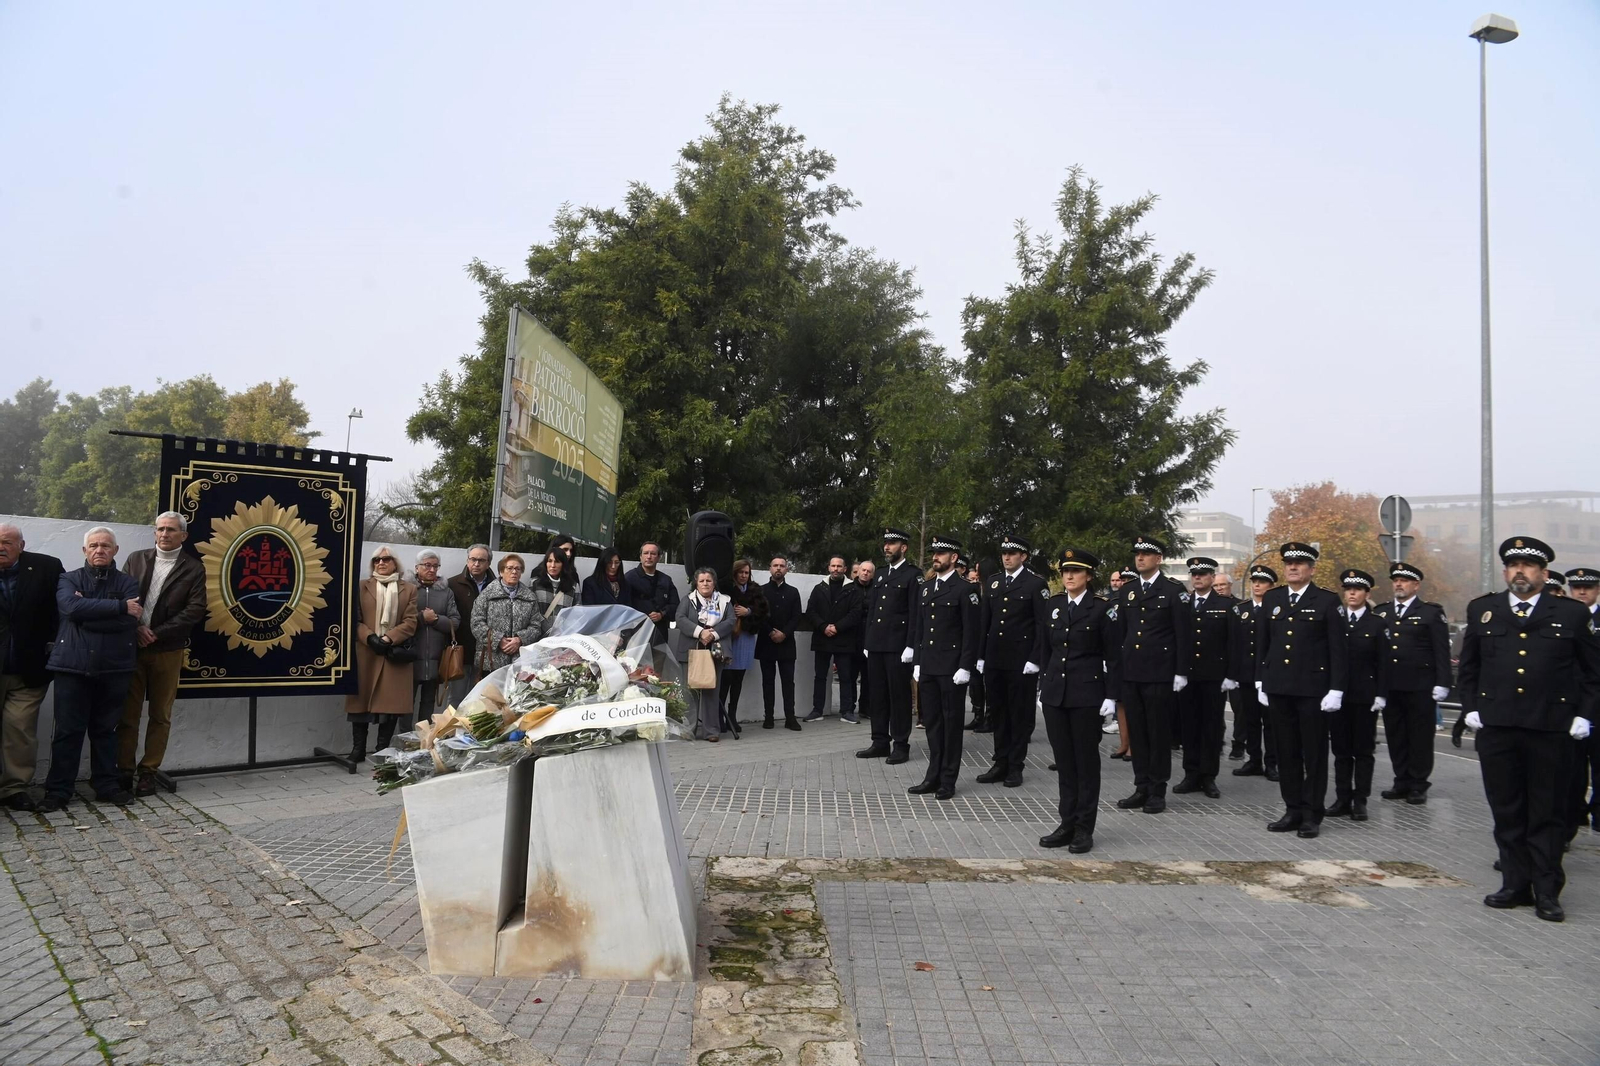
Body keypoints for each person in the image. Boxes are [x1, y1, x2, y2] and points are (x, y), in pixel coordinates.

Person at [1457, 536, 1600, 923]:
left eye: (1528, 565)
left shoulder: (1569, 613)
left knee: (1548, 813)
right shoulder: (1483, 610)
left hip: (1550, 729)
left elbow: (1592, 673)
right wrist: (1469, 707)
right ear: (1505, 571)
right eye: (1512, 565)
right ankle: (1515, 885)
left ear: (1544, 572)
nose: (1519, 571)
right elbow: (1468, 668)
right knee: (1507, 811)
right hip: (1499, 728)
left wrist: (1584, 714)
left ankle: (1548, 890)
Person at [39, 527, 141, 810]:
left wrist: (88, 611)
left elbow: (128, 622)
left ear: (115, 551)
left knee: (105, 730)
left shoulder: (129, 582)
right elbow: (70, 609)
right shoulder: (68, 578)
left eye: (106, 546)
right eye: (94, 546)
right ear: (85, 551)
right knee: (67, 732)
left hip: (114, 667)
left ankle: (106, 786)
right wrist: (119, 606)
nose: (100, 550)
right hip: (72, 665)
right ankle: (58, 790)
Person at [1254, 542, 1347, 839]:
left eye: (1300, 563)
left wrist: (1336, 689)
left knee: (1314, 754)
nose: (1292, 567)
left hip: (1312, 691)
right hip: (1279, 687)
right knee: (1286, 752)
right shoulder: (1273, 598)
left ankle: (1312, 814)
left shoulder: (1327, 601)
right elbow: (1263, 643)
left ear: (1312, 568)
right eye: (1288, 563)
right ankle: (1292, 809)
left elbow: (1338, 650)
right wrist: (1261, 680)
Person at [116, 511, 206, 795]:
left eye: (170, 530)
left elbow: (195, 609)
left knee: (160, 715)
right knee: (127, 714)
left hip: (168, 649)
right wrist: (136, 629)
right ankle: (124, 771)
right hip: (131, 649)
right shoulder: (135, 559)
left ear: (184, 535)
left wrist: (157, 632)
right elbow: (120, 596)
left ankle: (148, 772)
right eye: (160, 529)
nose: (164, 534)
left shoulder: (193, 568)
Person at [1037, 549, 1121, 851]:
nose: (1069, 576)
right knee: (1064, 762)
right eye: (1065, 572)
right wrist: (1042, 683)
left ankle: (1085, 828)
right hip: (1055, 695)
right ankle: (1066, 823)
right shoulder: (1055, 605)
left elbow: (1113, 655)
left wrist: (1112, 695)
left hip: (1087, 694)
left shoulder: (1102, 608)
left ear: (1088, 576)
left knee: (1085, 763)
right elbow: (1046, 648)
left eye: (1075, 571)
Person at [1112, 536, 1193, 815]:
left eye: (1146, 554)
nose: (1140, 558)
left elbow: (1184, 634)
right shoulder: (1129, 590)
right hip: (1132, 672)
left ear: (1158, 559)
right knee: (1138, 733)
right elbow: (1121, 634)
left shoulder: (1173, 590)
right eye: (1137, 554)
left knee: (1158, 733)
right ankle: (1141, 785)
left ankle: (1157, 790)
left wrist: (1181, 671)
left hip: (1160, 673)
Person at [1371, 562, 1452, 805]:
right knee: (1396, 735)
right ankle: (1401, 780)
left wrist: (1443, 682)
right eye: (1395, 580)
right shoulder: (1383, 612)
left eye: (1404, 581)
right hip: (1392, 685)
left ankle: (1418, 784)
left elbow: (1440, 651)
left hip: (1420, 685)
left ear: (1415, 585)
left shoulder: (1430, 612)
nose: (1398, 584)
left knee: (1420, 737)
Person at [907, 536, 980, 800]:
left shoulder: (965, 589)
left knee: (951, 725)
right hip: (928, 667)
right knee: (933, 725)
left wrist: (965, 666)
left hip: (952, 669)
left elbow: (972, 633)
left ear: (954, 558)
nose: (936, 556)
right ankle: (932, 775)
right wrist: (916, 661)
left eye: (942, 553)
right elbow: (919, 628)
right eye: (934, 552)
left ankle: (948, 779)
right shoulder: (926, 589)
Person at [975, 536, 1050, 789]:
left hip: (1021, 661)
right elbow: (985, 620)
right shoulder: (994, 582)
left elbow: (1042, 625)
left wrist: (1035, 658)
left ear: (1024, 557)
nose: (1006, 557)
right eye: (1004, 553)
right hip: (996, 658)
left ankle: (1015, 766)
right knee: (998, 713)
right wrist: (981, 655)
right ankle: (1000, 761)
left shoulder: (1035, 584)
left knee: (1018, 714)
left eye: (1012, 553)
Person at [0, 523, 64, 811]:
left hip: (29, 670)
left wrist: (53, 648)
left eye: (7, 542)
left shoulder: (47, 568)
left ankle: (15, 789)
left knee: (20, 730)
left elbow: (62, 612)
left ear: (21, 546)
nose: (1, 547)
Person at [346, 546, 419, 763]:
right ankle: (358, 749)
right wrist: (370, 638)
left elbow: (411, 621)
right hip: (365, 652)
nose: (381, 563)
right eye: (377, 559)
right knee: (360, 702)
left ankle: (381, 749)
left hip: (392, 653)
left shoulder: (409, 589)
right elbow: (354, 619)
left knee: (391, 704)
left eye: (386, 559)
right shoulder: (361, 587)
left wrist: (387, 639)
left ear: (395, 563)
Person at [1327, 569, 1388, 821]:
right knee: (1341, 751)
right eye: (1348, 589)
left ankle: (1360, 799)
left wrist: (1381, 694)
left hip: (1364, 696)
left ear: (1367, 594)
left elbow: (1384, 663)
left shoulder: (1377, 623)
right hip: (1337, 696)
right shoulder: (1334, 619)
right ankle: (1342, 798)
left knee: (1363, 751)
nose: (1351, 593)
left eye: (1357, 589)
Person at [1174, 556, 1236, 800]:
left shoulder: (1226, 605)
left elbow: (1233, 643)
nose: (1197, 577)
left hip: (1213, 676)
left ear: (1212, 577)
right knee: (1189, 726)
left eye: (1203, 573)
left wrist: (1231, 675)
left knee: (1211, 727)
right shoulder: (1182, 603)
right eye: (1194, 574)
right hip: (1187, 676)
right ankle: (1191, 774)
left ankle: (1208, 776)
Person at [857, 528, 919, 764]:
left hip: (897, 646)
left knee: (899, 697)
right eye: (885, 543)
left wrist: (910, 645)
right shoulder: (881, 574)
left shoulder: (913, 575)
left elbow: (915, 613)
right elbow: (873, 609)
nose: (887, 547)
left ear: (903, 547)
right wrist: (868, 640)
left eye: (892, 543)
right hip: (877, 644)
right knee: (877, 695)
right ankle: (879, 741)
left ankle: (901, 744)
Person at [1230, 566, 1278, 781]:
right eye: (1254, 581)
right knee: (1250, 719)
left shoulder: (1277, 609)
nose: (1257, 585)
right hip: (1246, 673)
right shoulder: (1241, 609)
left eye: (1262, 581)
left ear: (1271, 586)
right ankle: (1254, 760)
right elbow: (1234, 642)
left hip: (1269, 674)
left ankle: (1272, 763)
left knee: (1270, 722)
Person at [804, 555, 864, 723]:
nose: (836, 569)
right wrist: (824, 627)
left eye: (839, 566)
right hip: (822, 638)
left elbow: (855, 614)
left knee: (846, 676)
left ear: (845, 569)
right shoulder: (819, 588)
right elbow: (811, 611)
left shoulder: (853, 590)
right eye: (833, 566)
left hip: (844, 639)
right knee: (820, 676)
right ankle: (817, 710)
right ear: (829, 568)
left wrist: (837, 627)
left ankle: (846, 711)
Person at [678, 567, 735, 740]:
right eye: (701, 580)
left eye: (708, 580)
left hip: (715, 652)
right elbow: (680, 618)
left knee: (712, 691)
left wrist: (713, 634)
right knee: (690, 692)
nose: (705, 584)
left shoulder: (725, 601)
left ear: (714, 582)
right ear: (696, 582)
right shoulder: (688, 600)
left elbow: (731, 620)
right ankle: (689, 730)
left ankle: (711, 732)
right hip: (691, 650)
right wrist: (700, 632)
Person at [1563, 567, 1600, 835]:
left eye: (1588, 587)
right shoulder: (1562, 618)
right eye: (1577, 588)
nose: (1582, 592)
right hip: (1571, 704)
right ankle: (1574, 816)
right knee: (1571, 769)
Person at [409, 549, 461, 721]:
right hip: (409, 656)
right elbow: (400, 621)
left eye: (435, 566)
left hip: (436, 658)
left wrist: (436, 619)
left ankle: (423, 738)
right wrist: (421, 618)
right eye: (427, 565)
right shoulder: (408, 589)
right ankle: (405, 740)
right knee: (406, 702)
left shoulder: (446, 592)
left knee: (428, 702)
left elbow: (455, 622)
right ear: (417, 567)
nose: (431, 570)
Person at [470, 554, 544, 674]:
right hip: (491, 661)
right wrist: (499, 640)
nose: (514, 572)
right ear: (501, 572)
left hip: (520, 662)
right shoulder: (487, 595)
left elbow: (536, 626)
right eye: (509, 568)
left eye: (518, 569)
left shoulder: (530, 597)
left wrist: (520, 639)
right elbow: (476, 623)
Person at [755, 554, 802, 731]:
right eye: (775, 565)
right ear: (770, 568)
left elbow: (796, 616)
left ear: (786, 570)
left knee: (788, 682)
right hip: (767, 642)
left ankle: (790, 717)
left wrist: (784, 633)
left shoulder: (793, 592)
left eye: (782, 566)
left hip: (787, 643)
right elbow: (758, 615)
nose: (778, 568)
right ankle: (769, 717)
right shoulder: (761, 591)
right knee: (768, 681)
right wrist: (771, 631)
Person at [721, 559, 766, 730]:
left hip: (746, 638)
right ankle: (720, 714)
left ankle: (732, 715)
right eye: (741, 572)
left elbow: (763, 612)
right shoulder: (725, 589)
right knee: (726, 678)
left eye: (747, 572)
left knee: (738, 679)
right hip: (729, 637)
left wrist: (748, 611)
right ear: (735, 572)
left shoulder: (755, 591)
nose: (744, 575)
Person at [447, 544, 493, 706]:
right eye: (473, 559)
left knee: (480, 700)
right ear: (467, 561)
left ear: (488, 563)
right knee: (456, 698)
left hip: (487, 654)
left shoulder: (496, 586)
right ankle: (451, 731)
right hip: (461, 651)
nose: (476, 564)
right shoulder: (453, 584)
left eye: (481, 560)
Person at [625, 542, 680, 654]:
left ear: (659, 557)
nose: (649, 556)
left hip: (659, 636)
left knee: (657, 669)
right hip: (635, 636)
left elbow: (676, 607)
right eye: (646, 553)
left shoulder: (666, 581)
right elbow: (623, 607)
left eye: (653, 553)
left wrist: (662, 614)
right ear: (640, 556)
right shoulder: (629, 578)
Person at [963, 559, 992, 734]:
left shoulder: (992, 588)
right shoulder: (973, 588)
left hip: (990, 642)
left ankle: (990, 717)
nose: (976, 574)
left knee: (988, 682)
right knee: (975, 682)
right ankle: (978, 715)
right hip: (975, 640)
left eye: (980, 570)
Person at [529, 547, 578, 628]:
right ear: (545, 563)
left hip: (563, 635)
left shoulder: (573, 586)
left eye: (557, 562)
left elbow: (577, 612)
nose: (553, 565)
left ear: (563, 564)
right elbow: (530, 611)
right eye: (550, 561)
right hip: (539, 634)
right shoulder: (535, 583)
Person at [852, 560, 875, 717]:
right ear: (857, 571)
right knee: (850, 676)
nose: (865, 573)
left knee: (868, 677)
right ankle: (849, 707)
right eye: (863, 570)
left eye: (869, 571)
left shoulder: (877, 589)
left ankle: (865, 708)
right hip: (852, 638)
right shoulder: (849, 588)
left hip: (871, 639)